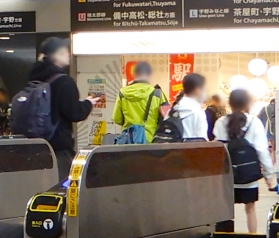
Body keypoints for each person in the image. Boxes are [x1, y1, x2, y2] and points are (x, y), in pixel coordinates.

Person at [14, 36, 105, 182]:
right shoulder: (64, 81)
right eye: (63, 52)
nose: (67, 54)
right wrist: (88, 103)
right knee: (61, 189)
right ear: (55, 56)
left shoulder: (33, 80)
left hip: (34, 148)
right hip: (57, 148)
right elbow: (74, 113)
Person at [213, 87, 275, 231]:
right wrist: (269, 175)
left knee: (226, 212)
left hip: (227, 175)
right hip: (249, 175)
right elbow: (262, 151)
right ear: (248, 103)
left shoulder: (221, 122)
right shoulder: (254, 122)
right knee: (250, 209)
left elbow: (217, 149)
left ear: (230, 103)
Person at [111, 61, 166, 143]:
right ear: (149, 75)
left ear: (134, 75)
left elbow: (117, 119)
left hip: (128, 141)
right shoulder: (157, 94)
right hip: (150, 142)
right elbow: (165, 119)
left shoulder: (122, 93)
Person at [169, 73, 209, 140]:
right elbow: (202, 142)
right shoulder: (198, 112)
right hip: (189, 150)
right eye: (205, 89)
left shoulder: (172, 110)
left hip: (171, 150)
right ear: (197, 90)